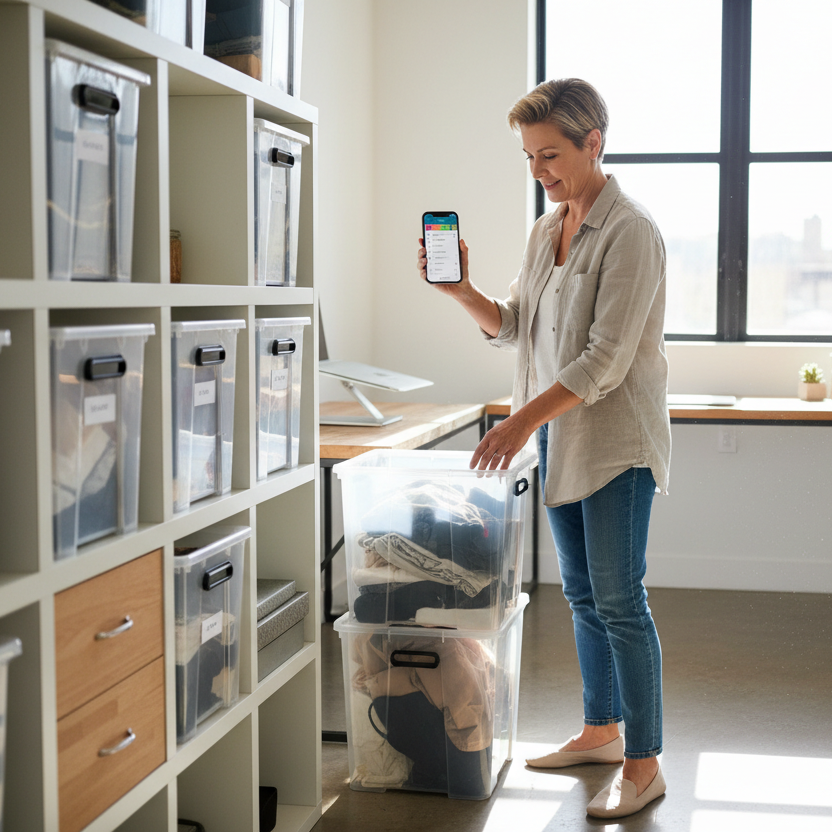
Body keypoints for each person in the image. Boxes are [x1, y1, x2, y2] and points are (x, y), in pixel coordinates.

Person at [415, 78, 671, 819]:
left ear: (596, 142)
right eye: (529, 157)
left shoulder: (633, 231)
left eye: (551, 155)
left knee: (623, 603)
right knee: (584, 598)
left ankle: (644, 761)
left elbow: (604, 361)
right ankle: (600, 731)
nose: (539, 171)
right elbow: (515, 324)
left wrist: (519, 421)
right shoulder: (546, 227)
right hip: (560, 434)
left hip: (615, 442)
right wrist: (461, 289)